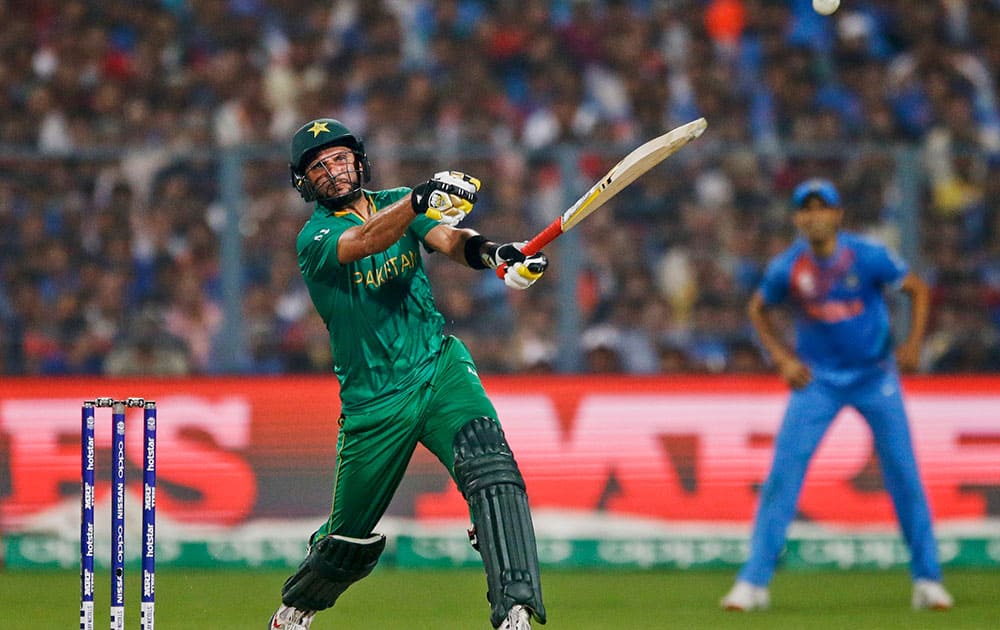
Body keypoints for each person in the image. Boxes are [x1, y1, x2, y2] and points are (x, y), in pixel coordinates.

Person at [268, 118, 549, 630]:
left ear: (358, 160)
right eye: (319, 166)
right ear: (304, 182)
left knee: (493, 473)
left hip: (438, 366)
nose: (333, 170)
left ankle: (514, 611)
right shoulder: (315, 237)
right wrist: (419, 201)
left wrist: (496, 255)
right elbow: (370, 239)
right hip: (375, 401)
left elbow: (448, 238)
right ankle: (298, 607)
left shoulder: (398, 200)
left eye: (338, 158)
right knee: (347, 540)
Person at [720, 179, 954, 612]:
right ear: (796, 219)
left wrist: (915, 343)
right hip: (818, 382)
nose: (813, 216)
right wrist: (783, 360)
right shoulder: (787, 267)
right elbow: (757, 308)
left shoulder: (868, 256)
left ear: (837, 214)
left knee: (903, 474)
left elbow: (917, 290)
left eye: (821, 207)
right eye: (804, 209)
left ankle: (928, 580)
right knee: (783, 478)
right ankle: (752, 583)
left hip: (875, 375)